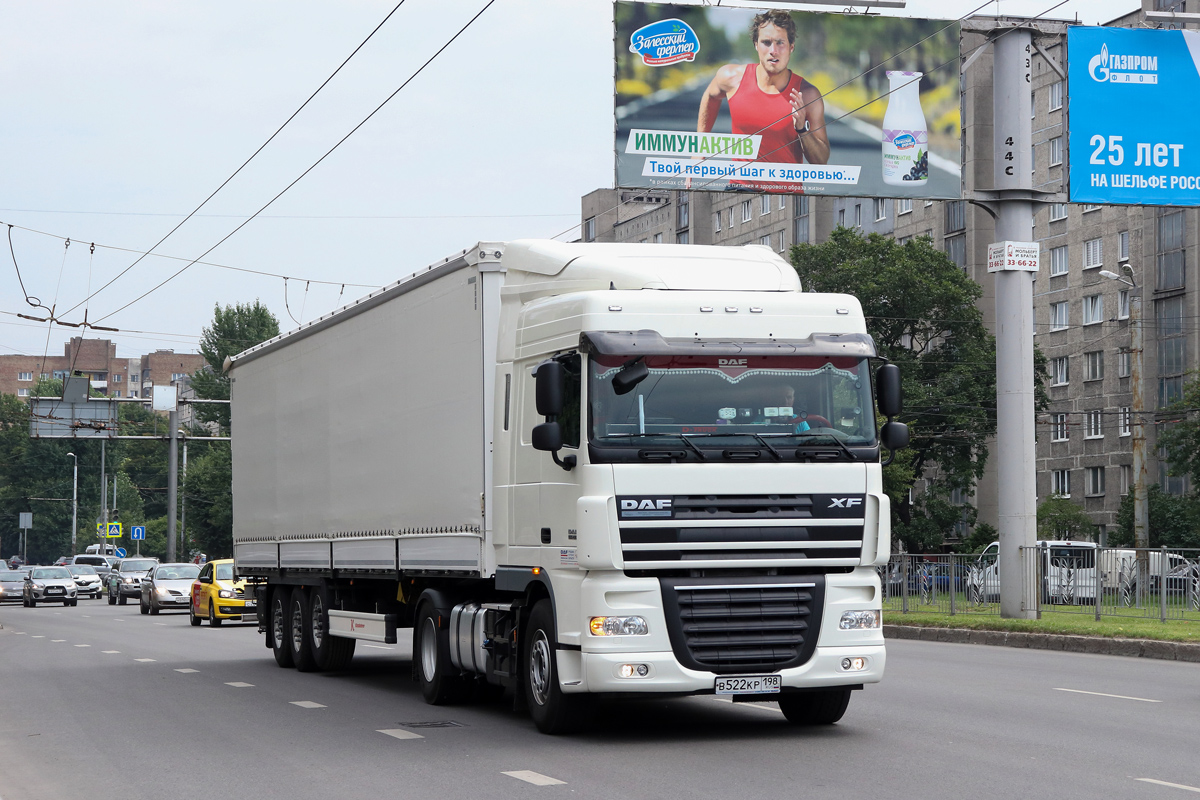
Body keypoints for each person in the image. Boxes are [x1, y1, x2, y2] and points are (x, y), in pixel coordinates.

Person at [697, 10, 830, 168]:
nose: (773, 50)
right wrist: (699, 151)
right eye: (766, 42)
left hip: (786, 192)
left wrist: (802, 129)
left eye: (780, 43)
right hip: (739, 189)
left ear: (791, 47)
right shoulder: (731, 77)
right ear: (756, 45)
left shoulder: (807, 94)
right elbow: (710, 96)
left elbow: (821, 160)